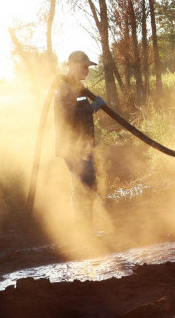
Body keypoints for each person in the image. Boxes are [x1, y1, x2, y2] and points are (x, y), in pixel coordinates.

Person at [54, 51, 106, 224]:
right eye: (85, 67)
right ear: (74, 65)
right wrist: (92, 108)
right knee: (85, 183)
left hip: (82, 145)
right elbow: (67, 115)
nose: (87, 71)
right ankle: (84, 227)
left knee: (86, 183)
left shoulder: (76, 86)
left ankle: (85, 227)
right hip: (72, 146)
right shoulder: (65, 86)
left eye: (88, 67)